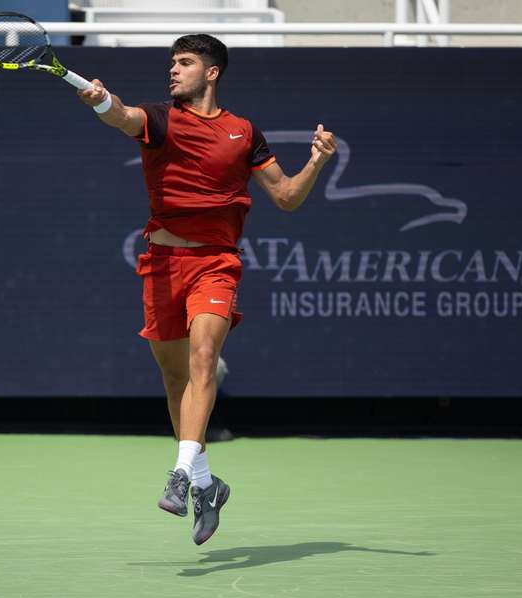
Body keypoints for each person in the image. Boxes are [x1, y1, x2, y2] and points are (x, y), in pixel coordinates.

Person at [77, 34, 337, 545]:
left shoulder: (244, 133)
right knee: (177, 381)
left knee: (203, 358)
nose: (174, 70)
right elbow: (121, 116)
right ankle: (206, 484)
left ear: (211, 72)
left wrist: (318, 161)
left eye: (186, 62)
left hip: (215, 263)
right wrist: (101, 101)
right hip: (162, 263)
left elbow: (285, 196)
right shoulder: (159, 119)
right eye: (172, 62)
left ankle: (179, 474)